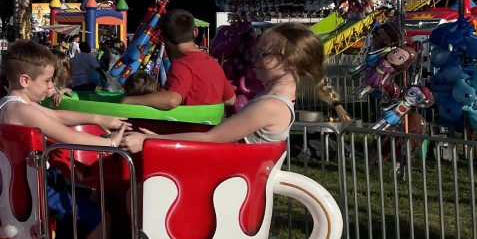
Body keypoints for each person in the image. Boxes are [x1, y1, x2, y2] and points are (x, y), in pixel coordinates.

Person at [0, 40, 128, 239]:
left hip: (38, 178)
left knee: (93, 196)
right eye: (47, 80)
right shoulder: (20, 110)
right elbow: (67, 135)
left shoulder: (11, 104)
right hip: (38, 184)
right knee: (101, 219)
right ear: (25, 80)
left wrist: (97, 118)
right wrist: (111, 144)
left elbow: (57, 116)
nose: (50, 87)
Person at [121, 23, 337, 153]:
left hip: (233, 180)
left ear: (291, 61)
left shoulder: (270, 105)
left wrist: (150, 141)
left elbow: (212, 138)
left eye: (263, 54)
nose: (254, 60)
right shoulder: (271, 99)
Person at [122, 9, 233, 110]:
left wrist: (131, 100)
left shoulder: (181, 64)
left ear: (163, 38)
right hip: (211, 128)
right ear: (195, 31)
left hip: (186, 129)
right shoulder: (213, 64)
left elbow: (172, 100)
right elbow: (230, 99)